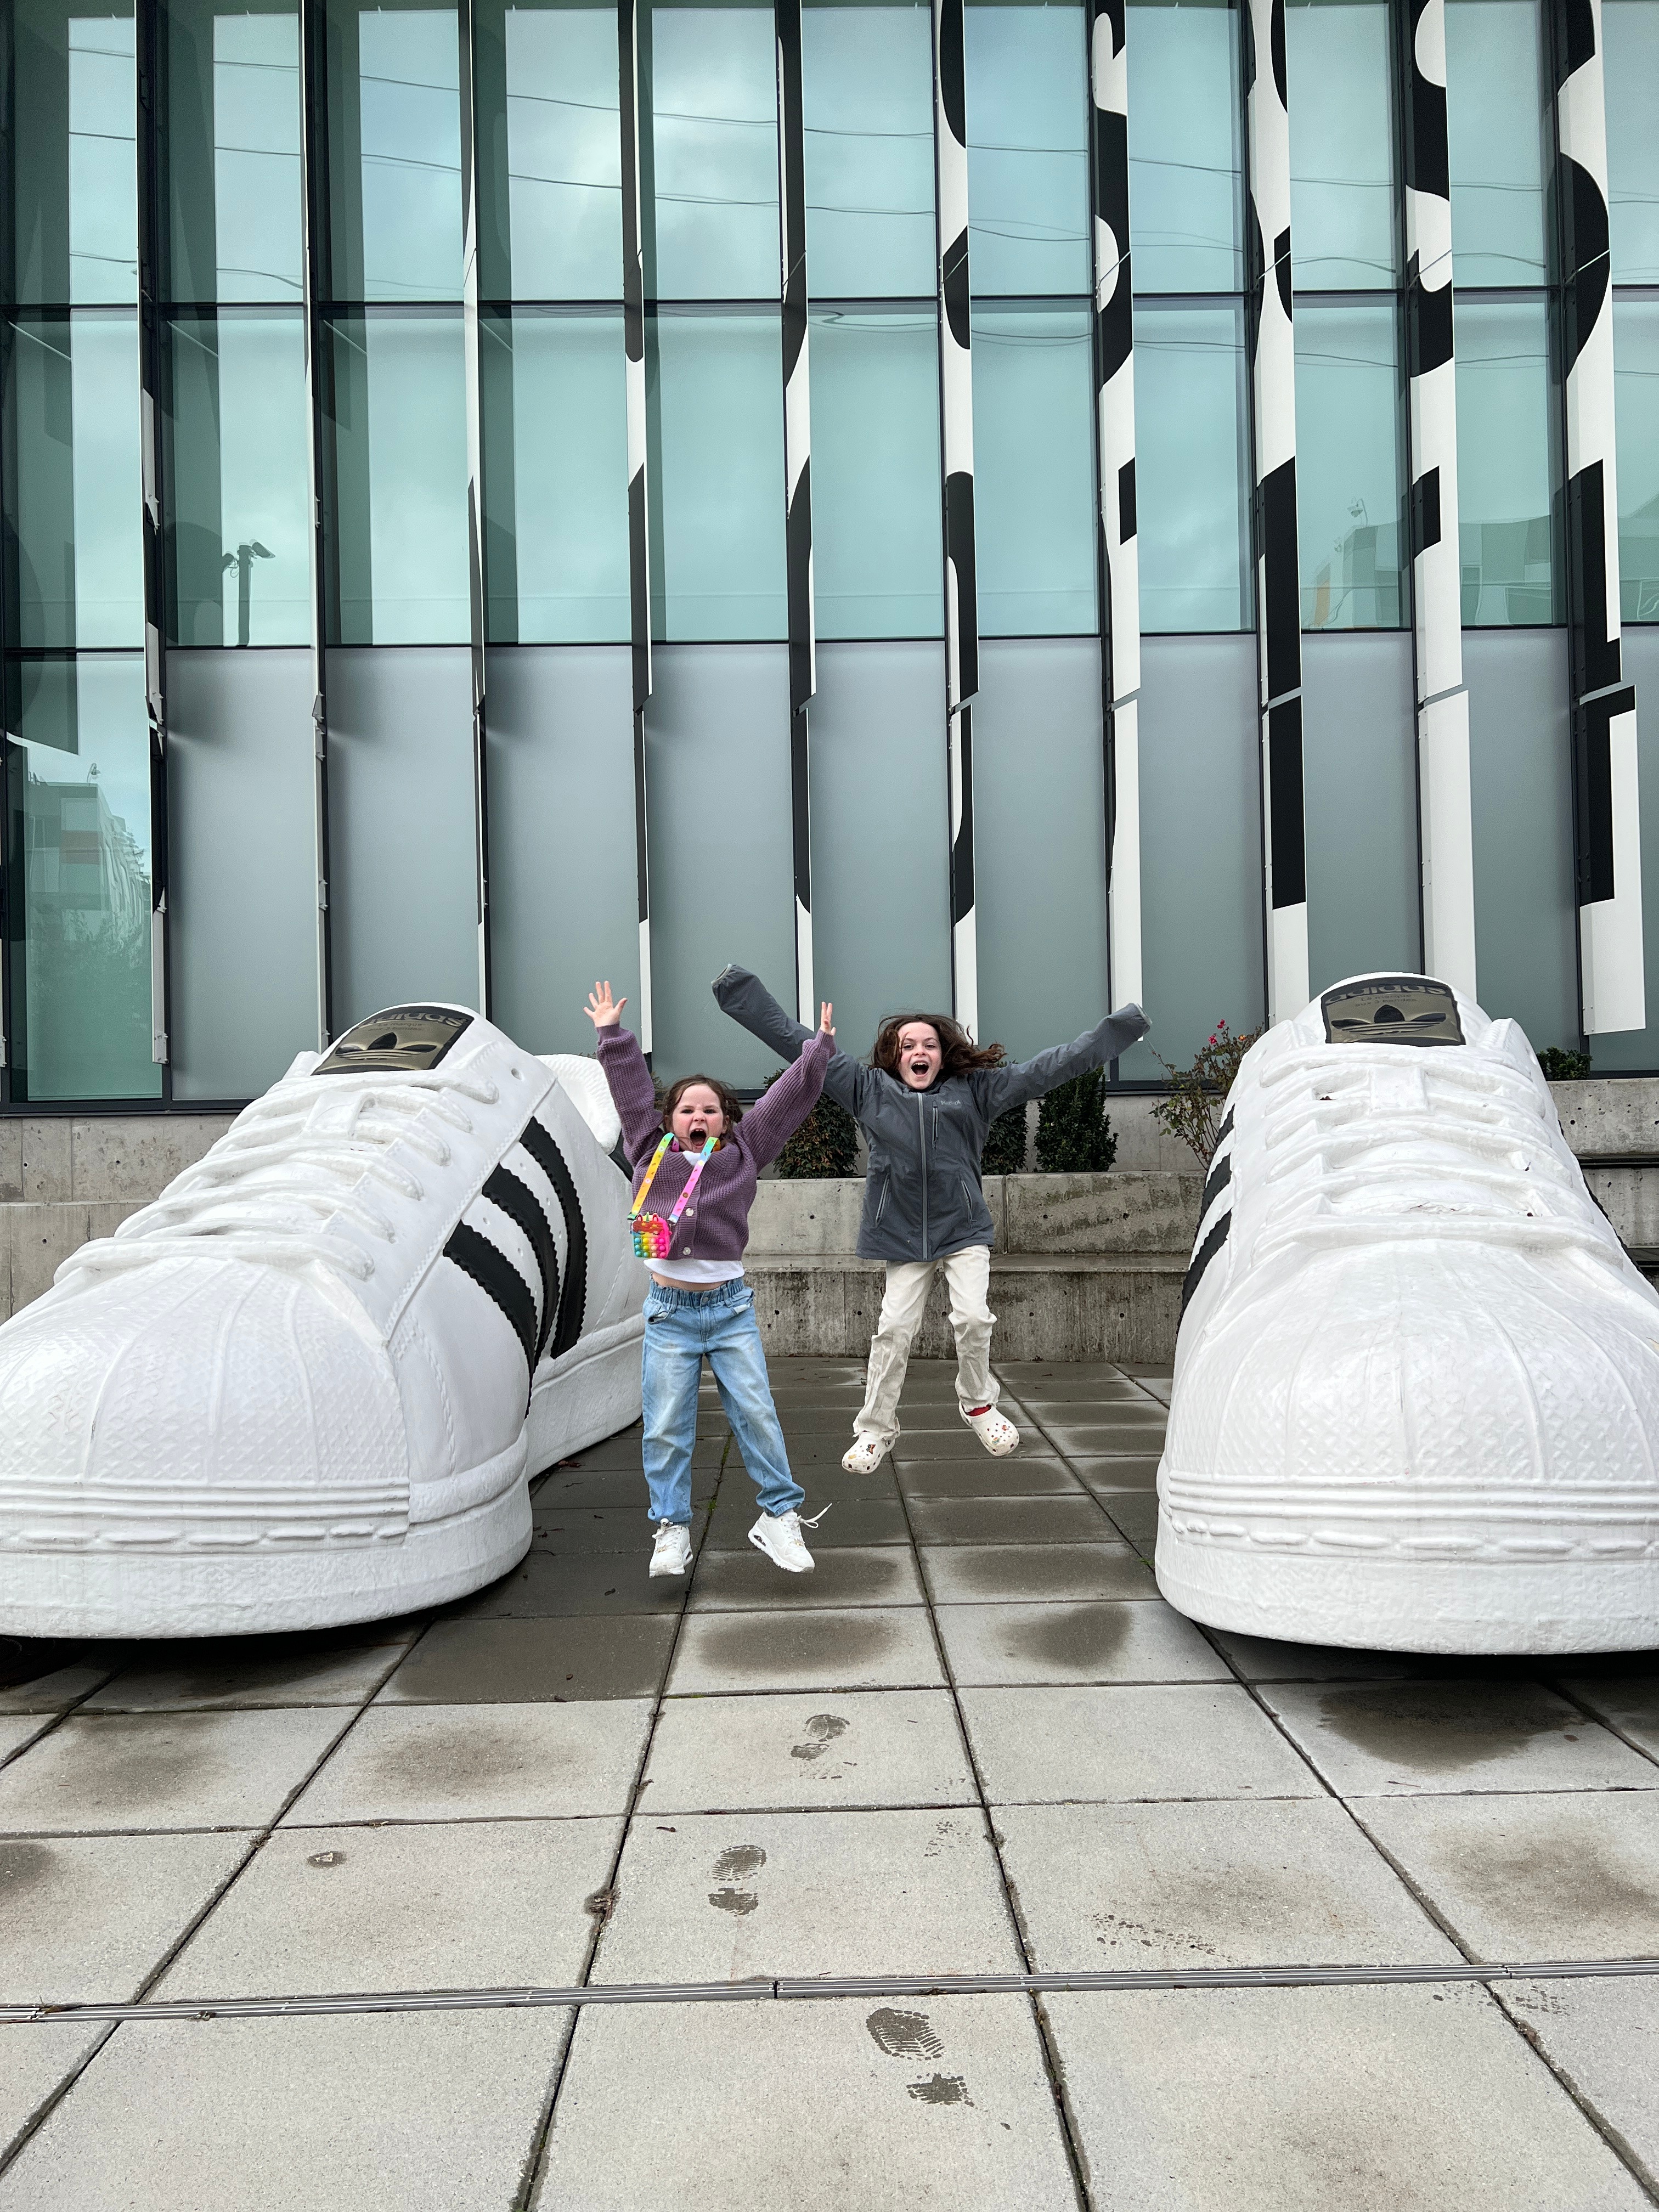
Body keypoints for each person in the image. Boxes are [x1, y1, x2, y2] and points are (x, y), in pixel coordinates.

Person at [712, 965, 1149, 1472]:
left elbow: (1052, 1067)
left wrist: (1121, 1029)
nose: (919, 1052)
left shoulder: (978, 1091)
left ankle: (978, 1404)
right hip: (900, 1233)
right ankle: (876, 1429)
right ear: (894, 1055)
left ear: (943, 1054)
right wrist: (739, 992)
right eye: (908, 1046)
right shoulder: (866, 1089)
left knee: (973, 1318)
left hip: (962, 1228)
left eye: (929, 1045)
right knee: (894, 1330)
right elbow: (796, 1042)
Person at [586, 980, 836, 1576]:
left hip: (730, 1311)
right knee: (666, 1427)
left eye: (710, 1110)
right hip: (669, 1314)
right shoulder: (650, 1149)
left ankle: (779, 1516)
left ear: (726, 1121)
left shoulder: (745, 1151)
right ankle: (671, 1529)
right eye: (687, 1109)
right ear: (670, 1120)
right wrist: (612, 1036)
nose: (698, 1116)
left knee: (757, 1414)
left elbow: (786, 1099)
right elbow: (630, 1093)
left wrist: (818, 1049)